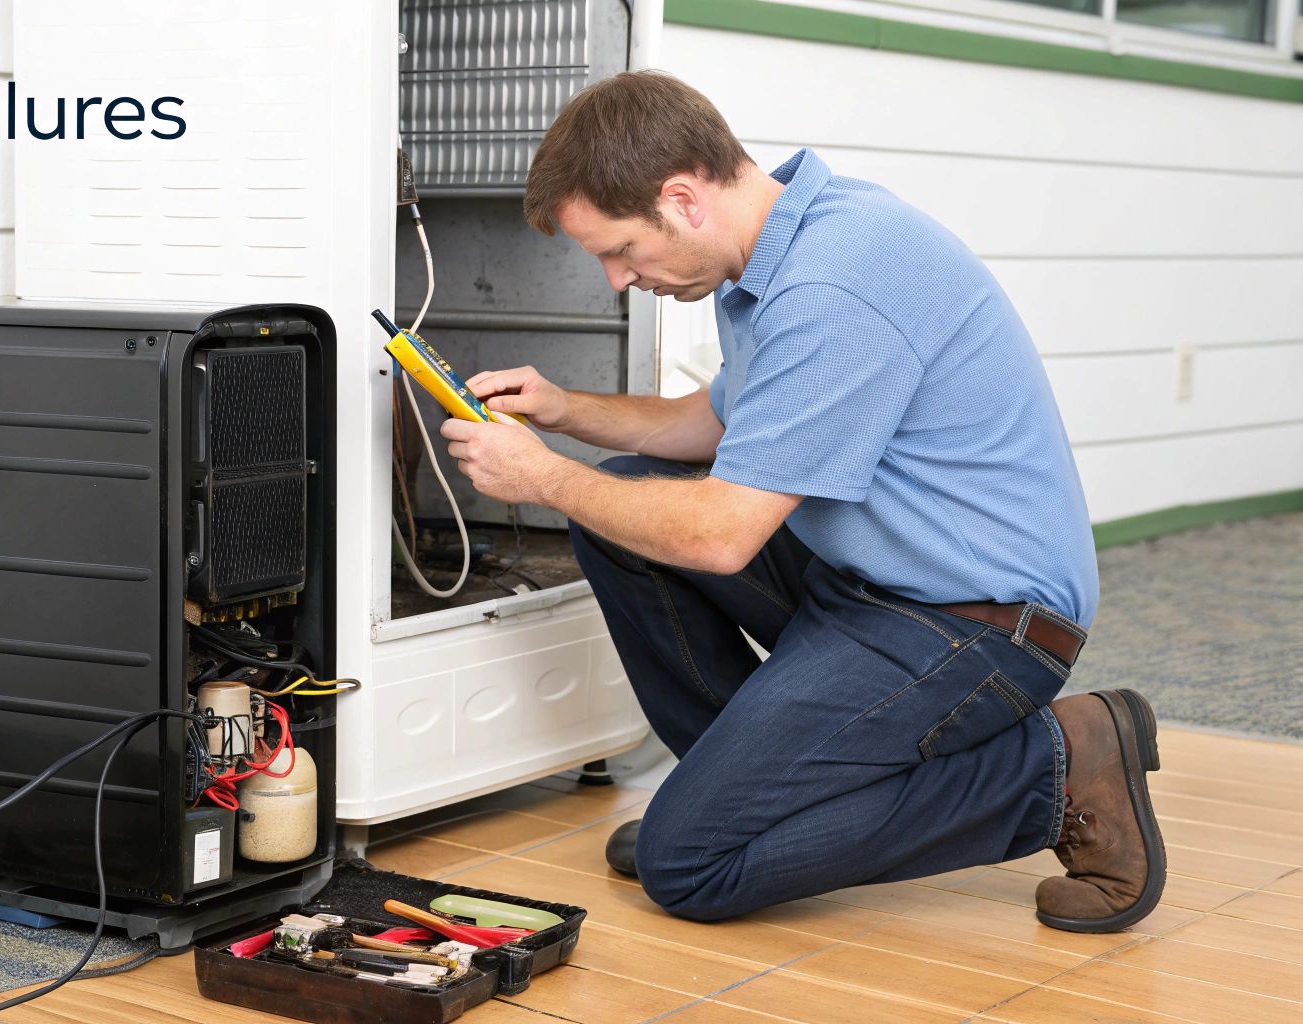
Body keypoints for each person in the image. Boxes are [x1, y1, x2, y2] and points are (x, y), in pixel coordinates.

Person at [437, 71, 1164, 933]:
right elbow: (713, 424)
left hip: (977, 623)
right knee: (624, 514)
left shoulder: (834, 289)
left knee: (689, 867)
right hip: (870, 584)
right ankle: (733, 798)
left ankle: (1057, 765)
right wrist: (563, 411)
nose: (615, 281)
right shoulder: (782, 247)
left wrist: (546, 475)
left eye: (622, 250)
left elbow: (720, 538)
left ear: (682, 197)